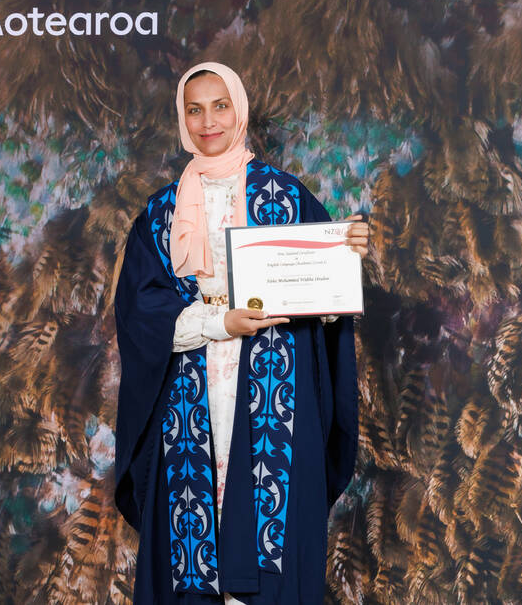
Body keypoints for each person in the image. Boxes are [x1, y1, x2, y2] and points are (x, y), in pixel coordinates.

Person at [113, 62, 369, 604]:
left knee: (268, 538)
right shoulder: (159, 216)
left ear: (240, 111)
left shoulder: (286, 195)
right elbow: (141, 319)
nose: (209, 121)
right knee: (193, 544)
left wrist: (346, 255)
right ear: (183, 119)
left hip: (274, 397)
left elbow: (323, 305)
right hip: (189, 396)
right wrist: (218, 323)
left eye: (220, 105)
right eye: (195, 109)